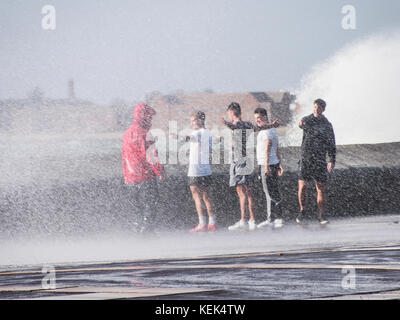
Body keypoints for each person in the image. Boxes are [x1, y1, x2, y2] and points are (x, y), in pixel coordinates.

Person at [221, 102, 279, 231]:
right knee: (248, 192)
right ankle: (250, 220)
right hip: (246, 159)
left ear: (231, 112)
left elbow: (234, 126)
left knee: (243, 193)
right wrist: (272, 125)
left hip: (239, 161)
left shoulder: (238, 124)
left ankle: (246, 220)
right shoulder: (247, 124)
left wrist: (227, 124)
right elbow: (260, 128)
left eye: (229, 113)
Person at [122, 103, 165, 233]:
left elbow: (124, 157)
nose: (151, 120)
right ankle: (147, 234)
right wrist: (160, 171)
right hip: (145, 177)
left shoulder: (127, 133)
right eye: (150, 117)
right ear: (144, 116)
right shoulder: (145, 133)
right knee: (150, 206)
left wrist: (125, 175)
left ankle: (137, 233)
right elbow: (151, 155)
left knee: (137, 210)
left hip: (130, 178)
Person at [297, 98, 336, 225]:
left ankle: (321, 215)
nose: (316, 110)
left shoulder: (327, 124)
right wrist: (300, 123)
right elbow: (300, 124)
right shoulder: (307, 120)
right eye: (314, 107)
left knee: (320, 188)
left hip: (319, 159)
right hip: (306, 158)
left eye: (319, 108)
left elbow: (331, 143)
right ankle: (303, 211)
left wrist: (331, 160)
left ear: (323, 109)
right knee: (302, 186)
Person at [254, 108, 284, 229]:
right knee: (273, 191)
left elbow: (268, 145)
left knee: (270, 192)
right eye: (256, 119)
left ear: (266, 117)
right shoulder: (272, 129)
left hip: (267, 164)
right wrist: (279, 163)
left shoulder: (266, 131)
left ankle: (276, 218)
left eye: (260, 118)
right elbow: (277, 148)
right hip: (274, 163)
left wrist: (266, 166)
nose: (258, 121)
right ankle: (273, 218)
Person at [187, 111, 216, 232]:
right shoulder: (208, 133)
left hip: (195, 170)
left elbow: (191, 138)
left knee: (197, 197)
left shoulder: (198, 133)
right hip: (205, 169)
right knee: (207, 197)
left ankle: (203, 223)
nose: (192, 123)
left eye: (193, 120)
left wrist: (178, 137)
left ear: (200, 120)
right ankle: (212, 222)